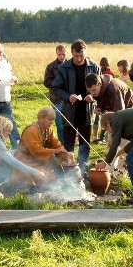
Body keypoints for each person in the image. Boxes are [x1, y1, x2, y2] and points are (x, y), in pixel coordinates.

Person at [52, 39, 101, 176]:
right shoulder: (64, 68)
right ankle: (68, 173)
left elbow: (100, 89)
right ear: (72, 53)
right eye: (76, 56)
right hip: (69, 110)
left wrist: (93, 97)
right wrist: (68, 97)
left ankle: (83, 172)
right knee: (68, 143)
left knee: (85, 143)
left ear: (86, 53)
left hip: (87, 111)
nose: (79, 59)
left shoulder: (94, 67)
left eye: (82, 56)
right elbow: (56, 88)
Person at [14, 106, 73, 181]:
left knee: (60, 167)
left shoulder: (48, 130)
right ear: (41, 118)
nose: (51, 122)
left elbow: (56, 144)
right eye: (49, 119)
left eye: (52, 120)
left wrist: (65, 154)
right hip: (25, 161)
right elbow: (36, 150)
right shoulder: (32, 130)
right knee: (48, 176)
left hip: (37, 159)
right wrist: (54, 151)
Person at [86, 72, 133, 145]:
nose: (92, 93)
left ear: (99, 84)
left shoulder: (113, 89)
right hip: (116, 110)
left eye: (93, 90)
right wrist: (100, 108)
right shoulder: (98, 89)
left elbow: (120, 113)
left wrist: (112, 132)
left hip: (129, 109)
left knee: (123, 136)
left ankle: (124, 152)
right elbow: (102, 101)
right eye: (89, 90)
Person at [43, 44, 67, 143]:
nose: (62, 56)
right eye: (60, 54)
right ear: (56, 54)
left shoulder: (71, 65)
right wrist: (57, 83)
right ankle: (61, 145)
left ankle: (69, 144)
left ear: (67, 53)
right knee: (60, 125)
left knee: (69, 124)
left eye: (64, 54)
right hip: (56, 99)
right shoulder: (50, 67)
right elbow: (46, 82)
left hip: (69, 99)